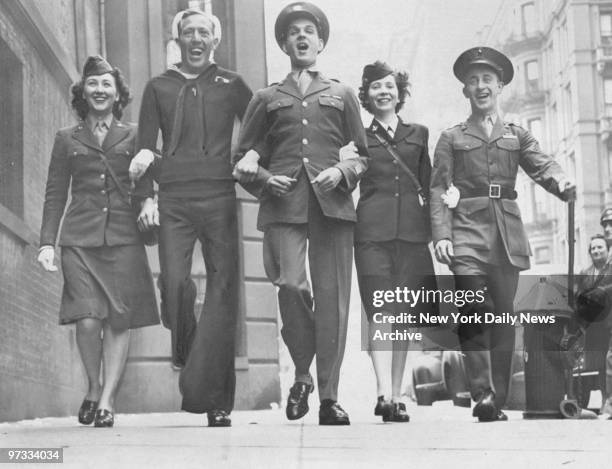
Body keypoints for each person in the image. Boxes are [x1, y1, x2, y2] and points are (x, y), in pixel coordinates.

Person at [232, 1, 368, 425]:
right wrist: (263, 179)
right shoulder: (265, 97)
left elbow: (363, 155)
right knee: (290, 286)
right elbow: (239, 159)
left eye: (309, 31)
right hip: (283, 204)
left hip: (332, 208)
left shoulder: (342, 94)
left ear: (321, 42)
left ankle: (328, 396)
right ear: (285, 43)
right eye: (294, 32)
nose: (302, 37)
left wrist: (341, 172)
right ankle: (304, 374)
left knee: (334, 303)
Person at [430, 46, 576, 422]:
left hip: (506, 235)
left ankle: (497, 396)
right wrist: (442, 234)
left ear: (499, 87)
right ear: (465, 89)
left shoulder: (517, 135)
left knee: (501, 317)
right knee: (473, 309)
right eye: (473, 80)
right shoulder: (451, 137)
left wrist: (561, 181)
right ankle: (482, 394)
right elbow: (437, 188)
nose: (481, 86)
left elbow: (542, 164)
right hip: (464, 231)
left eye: (487, 80)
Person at [128, 8, 253, 427]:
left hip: (219, 193)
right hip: (174, 196)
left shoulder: (232, 84)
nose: (196, 39)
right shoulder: (158, 86)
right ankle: (188, 349)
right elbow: (144, 145)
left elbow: (259, 129)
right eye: (188, 33)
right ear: (177, 40)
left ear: (214, 41)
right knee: (177, 285)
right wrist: (146, 198)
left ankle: (217, 400)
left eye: (204, 32)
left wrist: (250, 158)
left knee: (222, 293)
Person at [38, 56, 159, 428]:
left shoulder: (136, 135)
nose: (100, 90)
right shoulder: (66, 138)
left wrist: (150, 199)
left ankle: (107, 400)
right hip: (79, 239)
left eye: (107, 84)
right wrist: (47, 243)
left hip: (123, 238)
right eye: (93, 84)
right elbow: (56, 193)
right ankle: (93, 386)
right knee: (88, 321)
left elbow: (147, 183)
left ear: (117, 93)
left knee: (119, 321)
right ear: (83, 92)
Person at [354, 61, 435, 422]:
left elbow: (429, 185)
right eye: (375, 87)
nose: (383, 91)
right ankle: (383, 392)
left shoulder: (419, 133)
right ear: (367, 96)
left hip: (413, 236)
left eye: (389, 86)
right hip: (371, 234)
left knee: (405, 316)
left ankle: (398, 395)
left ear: (399, 93)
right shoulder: (358, 137)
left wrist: (437, 235)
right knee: (381, 312)